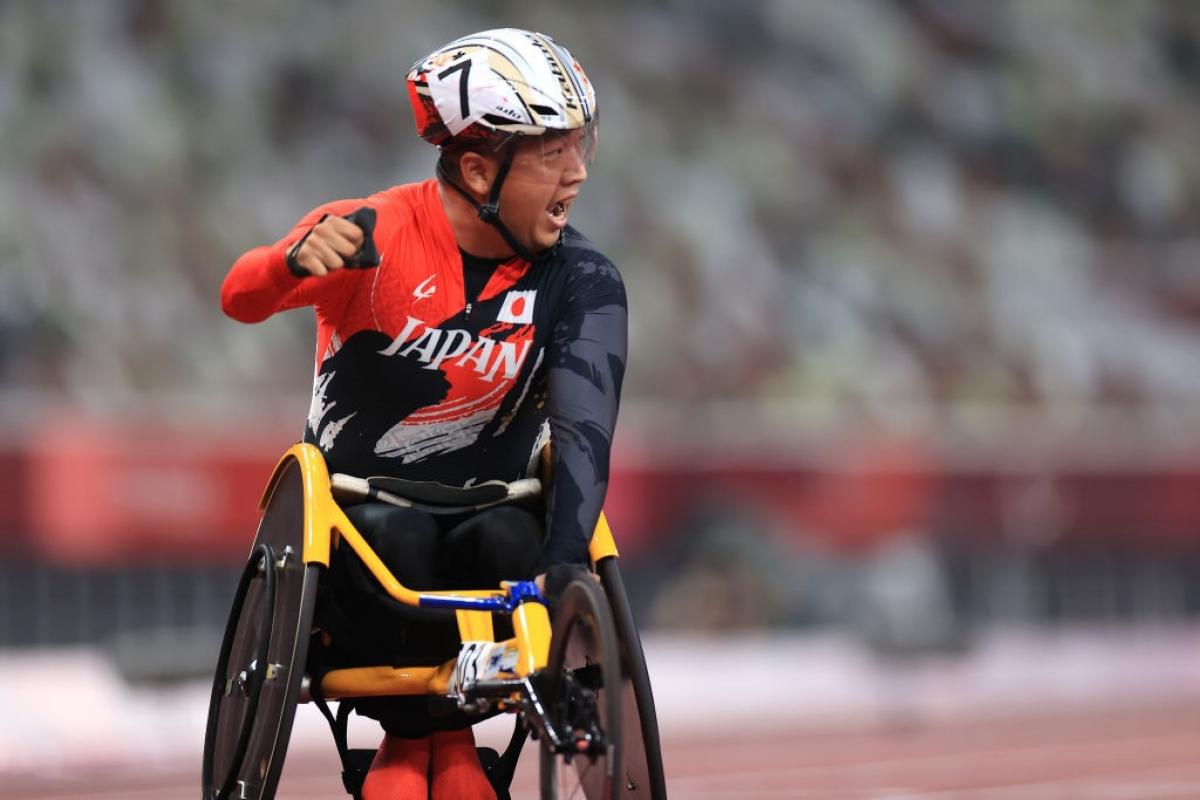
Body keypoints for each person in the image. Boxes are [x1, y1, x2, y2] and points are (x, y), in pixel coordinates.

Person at [220, 28, 626, 800]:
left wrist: (568, 563)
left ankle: (434, 747)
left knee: (514, 536)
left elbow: (584, 427)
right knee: (399, 536)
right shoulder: (370, 235)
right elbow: (238, 297)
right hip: (356, 535)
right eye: (551, 153)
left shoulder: (585, 280)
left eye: (581, 145)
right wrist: (285, 261)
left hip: (492, 524)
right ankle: (423, 746)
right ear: (478, 169)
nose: (577, 172)